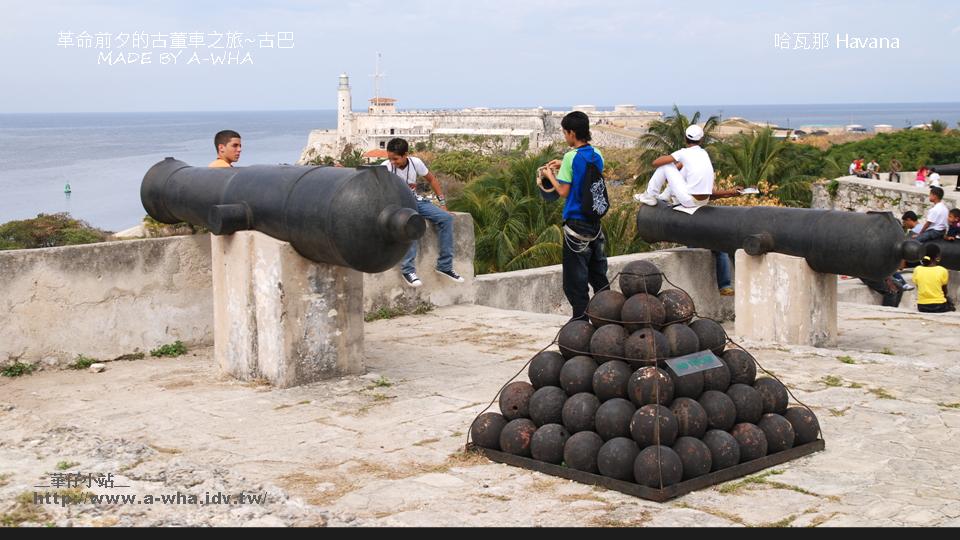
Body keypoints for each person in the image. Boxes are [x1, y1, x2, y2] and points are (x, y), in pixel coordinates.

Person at [634, 124, 741, 296]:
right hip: (702, 201)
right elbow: (704, 189)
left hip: (690, 202)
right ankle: (725, 285)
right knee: (717, 245)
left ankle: (651, 195)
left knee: (665, 167)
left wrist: (674, 161)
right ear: (702, 140)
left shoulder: (684, 152)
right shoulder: (704, 154)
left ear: (685, 139)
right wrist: (729, 192)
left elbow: (656, 163)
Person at [540, 111, 610, 320]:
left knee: (575, 281)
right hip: (594, 223)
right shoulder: (597, 154)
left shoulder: (570, 157)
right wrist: (563, 165)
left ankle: (580, 320)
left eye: (564, 132)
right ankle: (608, 314)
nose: (564, 136)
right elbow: (587, 172)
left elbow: (563, 192)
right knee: (598, 275)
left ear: (571, 132)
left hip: (576, 225)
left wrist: (549, 176)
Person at [382, 137, 463, 288]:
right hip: (398, 204)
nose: (392, 162)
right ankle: (408, 270)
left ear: (405, 154)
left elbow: (432, 180)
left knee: (446, 219)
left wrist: (443, 204)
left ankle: (445, 266)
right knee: (411, 222)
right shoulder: (385, 167)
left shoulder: (415, 163)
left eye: (396, 159)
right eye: (390, 158)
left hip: (416, 200)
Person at [912, 244, 955, 313]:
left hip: (922, 306)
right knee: (951, 303)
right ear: (937, 257)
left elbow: (919, 287)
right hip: (939, 306)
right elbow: (944, 291)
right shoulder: (942, 270)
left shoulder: (917, 269)